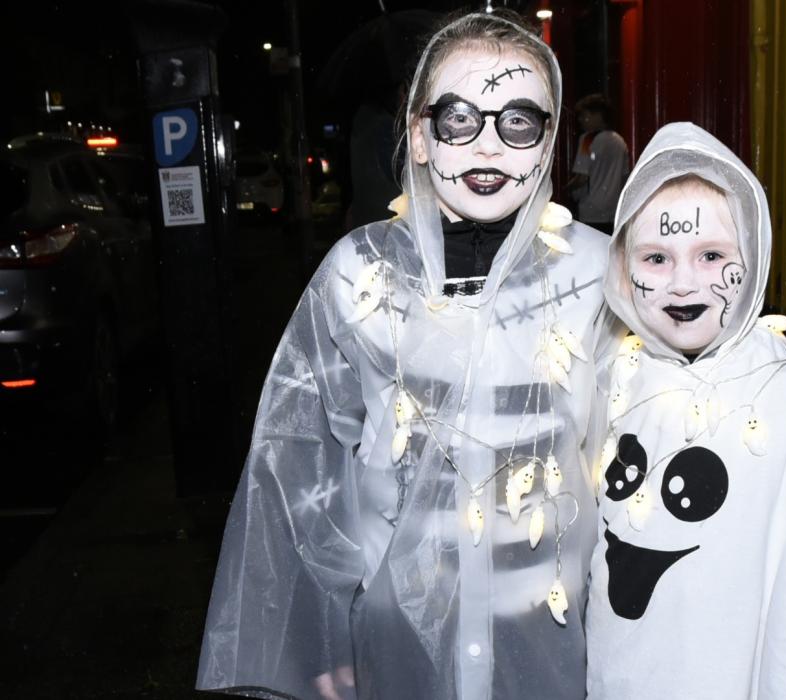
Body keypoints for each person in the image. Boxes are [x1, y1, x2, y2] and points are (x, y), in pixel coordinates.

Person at [197, 12, 620, 700]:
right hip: (400, 642)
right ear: (420, 137)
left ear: (548, 142)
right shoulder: (358, 275)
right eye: (458, 119)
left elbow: (637, 445)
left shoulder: (597, 276)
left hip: (553, 644)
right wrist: (321, 634)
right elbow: (301, 463)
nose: (488, 145)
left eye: (519, 121)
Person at [586, 123, 786, 699]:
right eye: (656, 257)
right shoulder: (614, 379)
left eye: (712, 255)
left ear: (753, 257)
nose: (684, 284)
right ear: (622, 269)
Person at [566, 94, 629, 234]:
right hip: (613, 212)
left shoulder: (588, 139)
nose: (581, 120)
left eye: (584, 115)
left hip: (590, 210)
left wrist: (565, 189)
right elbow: (624, 178)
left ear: (598, 115)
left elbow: (581, 178)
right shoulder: (620, 141)